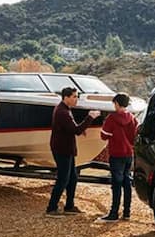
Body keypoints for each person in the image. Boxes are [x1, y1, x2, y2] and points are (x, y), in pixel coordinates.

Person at [46, 87, 100, 216]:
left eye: (77, 96)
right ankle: (51, 208)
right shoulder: (62, 112)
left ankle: (69, 206)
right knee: (63, 179)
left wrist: (81, 128)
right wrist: (90, 117)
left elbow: (72, 127)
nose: (77, 99)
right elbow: (75, 130)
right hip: (62, 149)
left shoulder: (65, 110)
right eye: (74, 97)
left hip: (66, 148)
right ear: (66, 97)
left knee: (72, 178)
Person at [96, 93, 139, 222]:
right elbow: (135, 136)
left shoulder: (112, 118)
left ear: (117, 103)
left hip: (116, 154)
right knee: (126, 182)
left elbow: (104, 135)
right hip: (128, 154)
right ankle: (127, 212)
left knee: (116, 183)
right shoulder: (132, 118)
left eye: (114, 103)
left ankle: (114, 213)